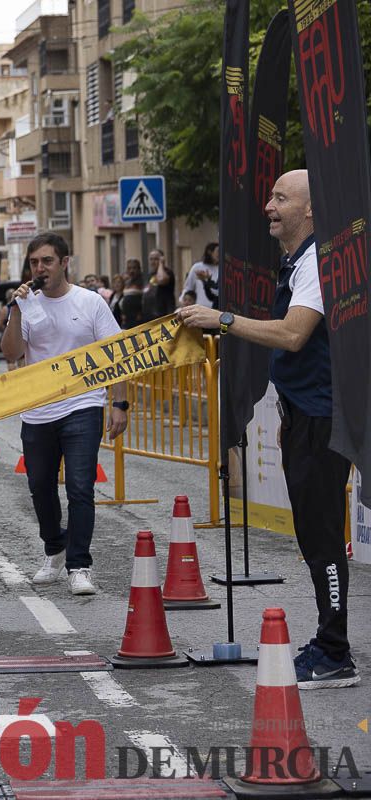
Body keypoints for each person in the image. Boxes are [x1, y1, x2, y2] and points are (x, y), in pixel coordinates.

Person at [180, 169, 358, 689]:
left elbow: (294, 334)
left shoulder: (320, 263)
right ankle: (329, 641)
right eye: (270, 196)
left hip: (324, 418)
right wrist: (287, 413)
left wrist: (224, 320)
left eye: (281, 198)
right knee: (313, 534)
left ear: (311, 211)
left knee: (322, 537)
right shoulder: (300, 262)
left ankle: (334, 653)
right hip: (307, 414)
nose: (268, 206)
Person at [0, 233, 129, 596]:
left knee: (79, 486)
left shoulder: (90, 303)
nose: (40, 269)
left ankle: (79, 565)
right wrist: (14, 309)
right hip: (39, 411)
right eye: (34, 263)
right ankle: (54, 548)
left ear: (64, 262)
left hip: (83, 406)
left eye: (47, 261)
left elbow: (115, 353)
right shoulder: (26, 306)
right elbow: (11, 352)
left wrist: (119, 403)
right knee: (40, 487)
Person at [180, 242, 220, 309]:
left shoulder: (221, 269)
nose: (220, 254)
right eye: (218, 251)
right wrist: (183, 302)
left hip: (215, 308)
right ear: (209, 252)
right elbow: (188, 288)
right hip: (199, 308)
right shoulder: (197, 267)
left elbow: (216, 291)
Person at [140, 248, 176, 322]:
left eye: (156, 259)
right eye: (151, 259)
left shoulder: (167, 272)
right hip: (149, 317)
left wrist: (161, 264)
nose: (153, 262)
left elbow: (162, 279)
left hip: (163, 316)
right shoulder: (149, 275)